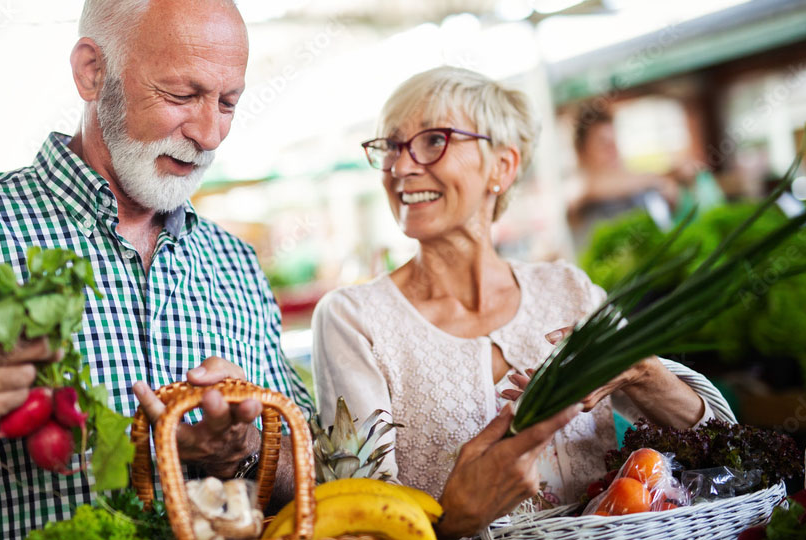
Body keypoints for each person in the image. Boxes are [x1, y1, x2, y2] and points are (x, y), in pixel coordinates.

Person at [0, 1, 313, 537]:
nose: (210, 133)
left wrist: (247, 450)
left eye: (228, 102)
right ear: (91, 71)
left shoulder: (235, 262)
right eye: (181, 95)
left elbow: (311, 469)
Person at [312, 66, 736, 535]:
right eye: (391, 146)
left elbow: (723, 447)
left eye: (434, 140)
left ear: (503, 166)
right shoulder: (354, 319)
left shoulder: (568, 290)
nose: (402, 166)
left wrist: (638, 370)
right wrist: (457, 520)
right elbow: (358, 522)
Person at [567, 104, 680, 249]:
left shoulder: (633, 186)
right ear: (581, 152)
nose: (613, 150)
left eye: (615, 141)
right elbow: (590, 187)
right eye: (603, 143)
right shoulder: (578, 188)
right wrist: (659, 180)